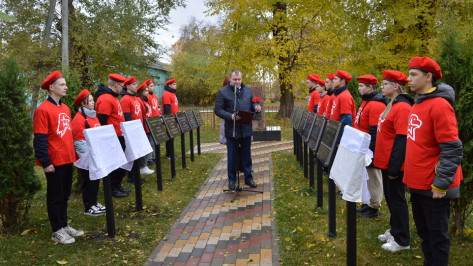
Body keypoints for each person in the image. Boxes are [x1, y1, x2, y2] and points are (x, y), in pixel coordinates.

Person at [404, 57, 463, 265]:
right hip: (418, 183)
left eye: (414, 75)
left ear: (428, 77)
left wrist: (440, 184)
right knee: (424, 234)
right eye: (409, 74)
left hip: (434, 187)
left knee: (437, 238)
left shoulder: (439, 106)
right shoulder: (418, 102)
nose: (408, 79)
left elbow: (452, 149)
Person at [33, 70, 83, 244]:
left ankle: (64, 224)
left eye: (65, 84)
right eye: (62, 84)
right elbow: (40, 138)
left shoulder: (65, 108)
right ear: (51, 87)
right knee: (55, 196)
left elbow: (66, 134)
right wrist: (45, 162)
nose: (66, 87)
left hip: (67, 158)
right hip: (54, 161)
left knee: (64, 194)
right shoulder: (42, 109)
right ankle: (56, 230)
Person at [374, 70, 413, 252]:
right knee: (390, 198)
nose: (382, 87)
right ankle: (395, 230)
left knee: (397, 200)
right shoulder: (391, 104)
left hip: (394, 164)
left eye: (385, 84)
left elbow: (402, 140)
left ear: (396, 86)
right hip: (385, 162)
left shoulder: (403, 107)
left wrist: (394, 168)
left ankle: (402, 239)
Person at [215, 69, 261, 190]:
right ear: (230, 79)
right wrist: (230, 116)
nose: (237, 82)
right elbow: (218, 110)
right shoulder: (222, 92)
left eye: (239, 79)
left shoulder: (247, 90)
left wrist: (256, 107)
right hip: (232, 129)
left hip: (245, 128)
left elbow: (252, 104)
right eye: (235, 79)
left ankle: (248, 178)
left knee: (247, 155)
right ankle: (232, 180)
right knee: (232, 156)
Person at [353, 75, 388, 219]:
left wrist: (371, 151)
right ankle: (367, 203)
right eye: (359, 85)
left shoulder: (376, 104)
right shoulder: (366, 102)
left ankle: (374, 206)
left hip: (370, 148)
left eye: (362, 86)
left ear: (370, 87)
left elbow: (375, 130)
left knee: (373, 178)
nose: (359, 88)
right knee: (366, 177)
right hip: (362, 147)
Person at [71, 89, 105, 216]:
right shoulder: (78, 119)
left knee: (96, 180)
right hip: (87, 158)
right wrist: (88, 158)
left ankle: (94, 202)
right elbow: (79, 142)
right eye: (90, 101)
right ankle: (88, 206)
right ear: (83, 104)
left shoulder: (93, 116)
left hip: (96, 155)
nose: (93, 103)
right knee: (89, 181)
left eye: (92, 100)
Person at [95, 73, 128, 198]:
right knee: (115, 165)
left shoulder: (113, 97)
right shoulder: (106, 99)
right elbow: (102, 120)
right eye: (121, 86)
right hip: (111, 137)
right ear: (115, 85)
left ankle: (117, 185)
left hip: (119, 135)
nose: (122, 89)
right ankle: (112, 188)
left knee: (120, 163)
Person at [120, 77, 154, 176]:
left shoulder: (135, 98)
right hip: (132, 131)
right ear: (127, 86)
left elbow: (141, 114)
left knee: (139, 153)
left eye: (136, 84)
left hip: (139, 129)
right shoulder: (125, 99)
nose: (136, 86)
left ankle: (138, 172)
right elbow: (127, 118)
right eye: (133, 84)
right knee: (132, 154)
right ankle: (131, 176)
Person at [137, 82, 154, 173]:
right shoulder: (140, 101)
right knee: (145, 147)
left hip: (149, 126)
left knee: (150, 145)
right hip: (145, 126)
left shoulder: (146, 100)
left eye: (148, 90)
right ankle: (142, 166)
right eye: (146, 91)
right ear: (141, 92)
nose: (147, 92)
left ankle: (145, 164)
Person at [161, 79, 179, 159]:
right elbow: (167, 108)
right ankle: (169, 154)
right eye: (174, 84)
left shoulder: (172, 94)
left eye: (175, 84)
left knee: (172, 136)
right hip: (170, 119)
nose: (175, 85)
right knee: (170, 137)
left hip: (174, 118)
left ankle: (171, 153)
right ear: (169, 85)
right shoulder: (167, 94)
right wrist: (170, 119)